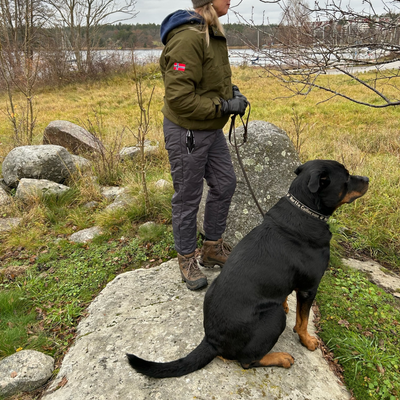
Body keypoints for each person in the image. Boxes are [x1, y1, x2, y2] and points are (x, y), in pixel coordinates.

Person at [159, 0, 248, 291]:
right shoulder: (188, 37)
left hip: (209, 129)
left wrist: (230, 93)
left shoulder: (210, 30)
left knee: (225, 183)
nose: (231, 1)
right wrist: (223, 105)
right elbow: (179, 97)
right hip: (187, 131)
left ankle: (211, 248)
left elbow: (204, 81)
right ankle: (186, 258)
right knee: (187, 196)